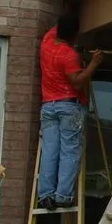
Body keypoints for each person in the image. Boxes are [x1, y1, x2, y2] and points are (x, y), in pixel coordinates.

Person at [38, 15, 103, 210]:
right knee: (69, 150)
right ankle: (63, 196)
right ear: (74, 35)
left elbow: (59, 25)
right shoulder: (69, 55)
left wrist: (69, 9)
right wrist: (94, 63)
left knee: (50, 151)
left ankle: (45, 196)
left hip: (48, 106)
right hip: (68, 107)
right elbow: (76, 81)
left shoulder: (47, 42)